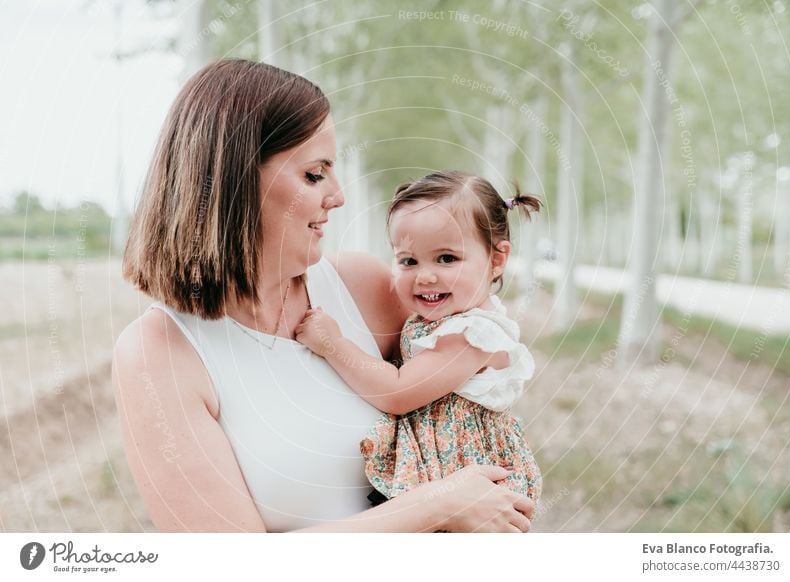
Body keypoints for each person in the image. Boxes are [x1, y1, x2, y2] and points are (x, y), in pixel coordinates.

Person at [113, 59, 535, 533]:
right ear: (234, 184)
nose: (339, 195)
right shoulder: (158, 354)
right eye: (315, 175)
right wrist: (437, 506)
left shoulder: (363, 287)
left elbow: (458, 407)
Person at [296, 171, 542, 514]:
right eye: (409, 261)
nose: (425, 276)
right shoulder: (437, 321)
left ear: (496, 260)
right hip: (440, 473)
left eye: (447, 258)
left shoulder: (472, 334)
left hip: (469, 479)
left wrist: (332, 344)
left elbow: (397, 393)